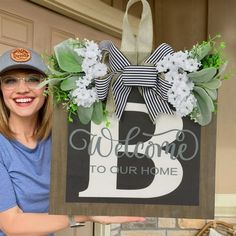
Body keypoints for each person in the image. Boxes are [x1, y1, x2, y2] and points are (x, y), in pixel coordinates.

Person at [0, 48, 145, 236]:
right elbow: (12, 224)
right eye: (10, 80)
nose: (22, 89)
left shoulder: (62, 138)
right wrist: (84, 215)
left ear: (47, 87)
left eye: (33, 79)